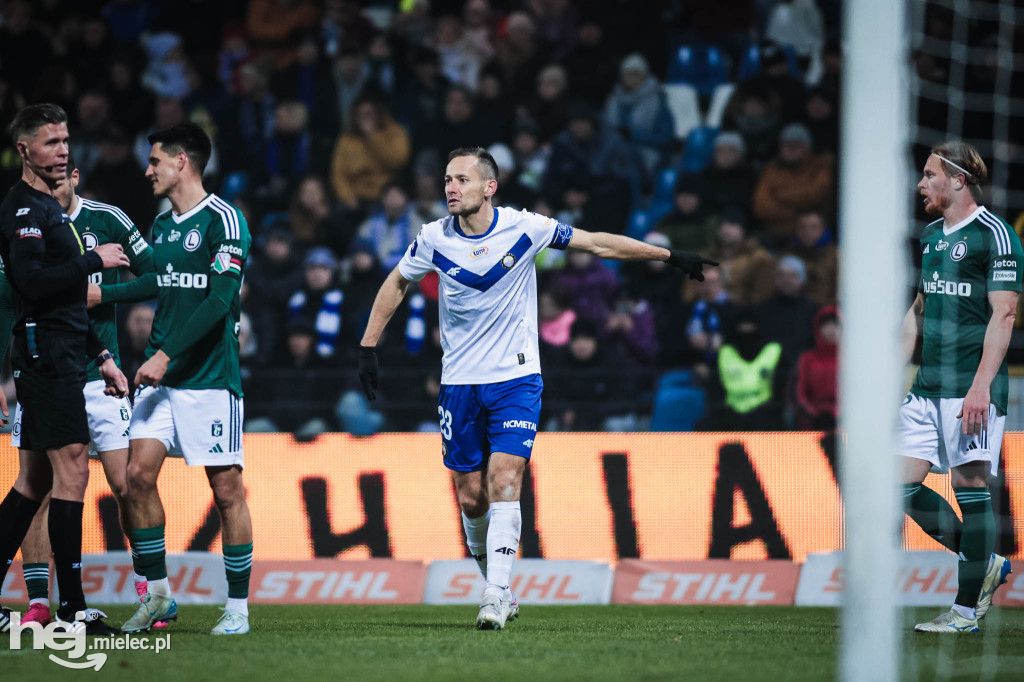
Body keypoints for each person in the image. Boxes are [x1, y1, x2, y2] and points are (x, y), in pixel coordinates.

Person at [357, 147, 714, 630]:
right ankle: (499, 584)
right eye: (447, 179)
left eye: (461, 179)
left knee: (505, 478)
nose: (450, 188)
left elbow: (597, 244)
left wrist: (668, 255)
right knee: (470, 497)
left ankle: (494, 595)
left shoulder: (526, 227)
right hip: (460, 382)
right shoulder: (432, 239)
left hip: (516, 378)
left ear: (490, 186)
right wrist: (368, 346)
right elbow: (396, 283)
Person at [99, 123, 254, 636]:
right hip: (160, 382)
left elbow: (217, 301)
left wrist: (164, 354)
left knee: (227, 490)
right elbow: (158, 282)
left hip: (208, 379)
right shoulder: (164, 225)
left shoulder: (225, 221)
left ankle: (237, 608)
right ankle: (160, 597)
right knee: (135, 478)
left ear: (182, 161)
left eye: (156, 161)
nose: (148, 170)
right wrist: (102, 295)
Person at [0, 104, 129, 635]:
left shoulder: (47, 211)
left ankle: (72, 603)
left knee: (32, 481)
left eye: (66, 140)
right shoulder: (25, 210)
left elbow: (67, 300)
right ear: (24, 150)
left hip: (62, 349)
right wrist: (93, 260)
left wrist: (102, 356)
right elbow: (31, 284)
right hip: (46, 355)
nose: (63, 151)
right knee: (71, 469)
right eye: (51, 142)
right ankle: (72, 606)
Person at [13, 154, 155, 627]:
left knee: (125, 483)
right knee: (40, 486)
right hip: (46, 367)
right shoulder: (31, 223)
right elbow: (17, 291)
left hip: (96, 374)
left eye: (60, 177)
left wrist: (104, 296)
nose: (52, 188)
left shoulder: (106, 220)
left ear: (73, 177)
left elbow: (155, 277)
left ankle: (147, 590)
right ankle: (40, 599)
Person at [902, 142, 1019, 633]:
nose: (921, 183)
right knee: (897, 486)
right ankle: (985, 561)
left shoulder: (997, 235)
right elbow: (916, 312)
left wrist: (980, 389)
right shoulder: (929, 236)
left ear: (958, 180)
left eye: (929, 175)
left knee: (969, 486)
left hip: (971, 389)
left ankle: (966, 611)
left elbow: (1005, 313)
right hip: (926, 388)